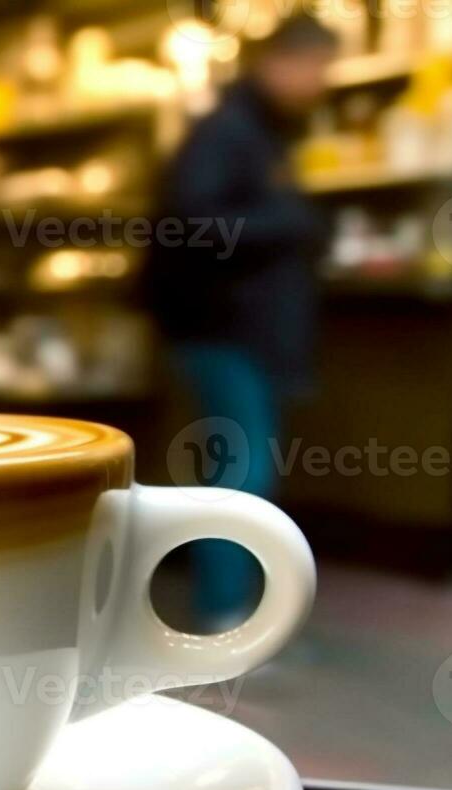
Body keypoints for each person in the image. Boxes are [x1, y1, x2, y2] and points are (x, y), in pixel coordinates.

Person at [144, 13, 337, 628]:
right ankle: (223, 611)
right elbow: (192, 224)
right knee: (241, 467)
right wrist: (294, 223)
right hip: (223, 326)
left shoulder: (258, 129)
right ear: (280, 59)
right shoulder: (229, 130)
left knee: (244, 462)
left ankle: (235, 606)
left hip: (241, 327)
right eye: (316, 67)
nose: (320, 82)